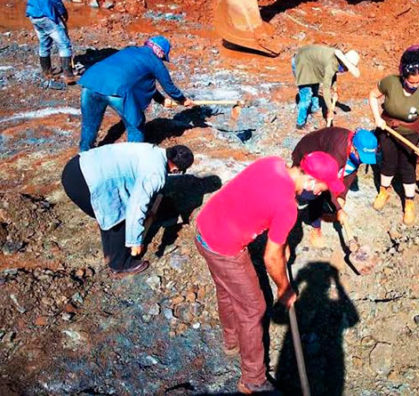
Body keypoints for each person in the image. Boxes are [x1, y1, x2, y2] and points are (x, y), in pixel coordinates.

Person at [194, 152, 344, 395]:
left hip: (205, 229)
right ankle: (252, 379)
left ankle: (231, 341)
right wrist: (285, 289)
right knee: (254, 307)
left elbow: (260, 205)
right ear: (311, 182)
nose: (319, 194)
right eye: (321, 189)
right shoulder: (287, 207)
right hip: (224, 248)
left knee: (226, 288)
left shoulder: (271, 163)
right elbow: (270, 258)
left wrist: (283, 246)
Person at [61, 142, 194, 275]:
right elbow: (135, 206)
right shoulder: (155, 173)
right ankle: (120, 263)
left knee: (111, 215)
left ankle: (110, 253)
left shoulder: (153, 150)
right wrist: (134, 241)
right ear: (176, 169)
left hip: (76, 166)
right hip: (85, 181)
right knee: (120, 217)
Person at [78, 36, 194, 151]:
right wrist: (183, 100)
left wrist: (161, 100)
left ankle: (84, 153)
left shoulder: (130, 50)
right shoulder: (155, 62)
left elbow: (143, 84)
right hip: (117, 91)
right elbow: (169, 87)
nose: (162, 59)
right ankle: (132, 156)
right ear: (159, 51)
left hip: (91, 82)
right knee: (136, 125)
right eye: (163, 56)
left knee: (89, 123)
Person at [369, 60, 419, 225]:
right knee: (388, 162)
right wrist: (377, 118)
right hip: (388, 130)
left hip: (411, 134)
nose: (414, 85)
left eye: (417, 82)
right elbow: (372, 96)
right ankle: (384, 191)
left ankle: (409, 202)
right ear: (403, 77)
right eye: (410, 82)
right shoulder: (391, 82)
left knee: (408, 166)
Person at [292, 127, 378, 246]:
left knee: (327, 193)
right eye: (361, 156)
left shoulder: (354, 151)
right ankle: (315, 228)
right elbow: (326, 181)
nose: (363, 161)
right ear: (353, 148)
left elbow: (350, 172)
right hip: (307, 155)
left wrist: (342, 196)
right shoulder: (337, 152)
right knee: (314, 194)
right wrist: (338, 208)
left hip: (324, 160)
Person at [25, 0, 75, 85]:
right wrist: (63, 12)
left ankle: (46, 71)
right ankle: (68, 75)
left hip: (33, 14)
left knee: (44, 43)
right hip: (45, 15)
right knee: (64, 44)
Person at [292, 44, 360, 129]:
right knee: (306, 96)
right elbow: (326, 89)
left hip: (312, 65)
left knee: (315, 88)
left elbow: (333, 73)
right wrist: (330, 110)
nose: (346, 71)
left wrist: (335, 89)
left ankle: (314, 109)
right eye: (346, 69)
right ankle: (300, 123)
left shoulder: (336, 61)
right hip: (301, 63)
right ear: (343, 63)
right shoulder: (331, 64)